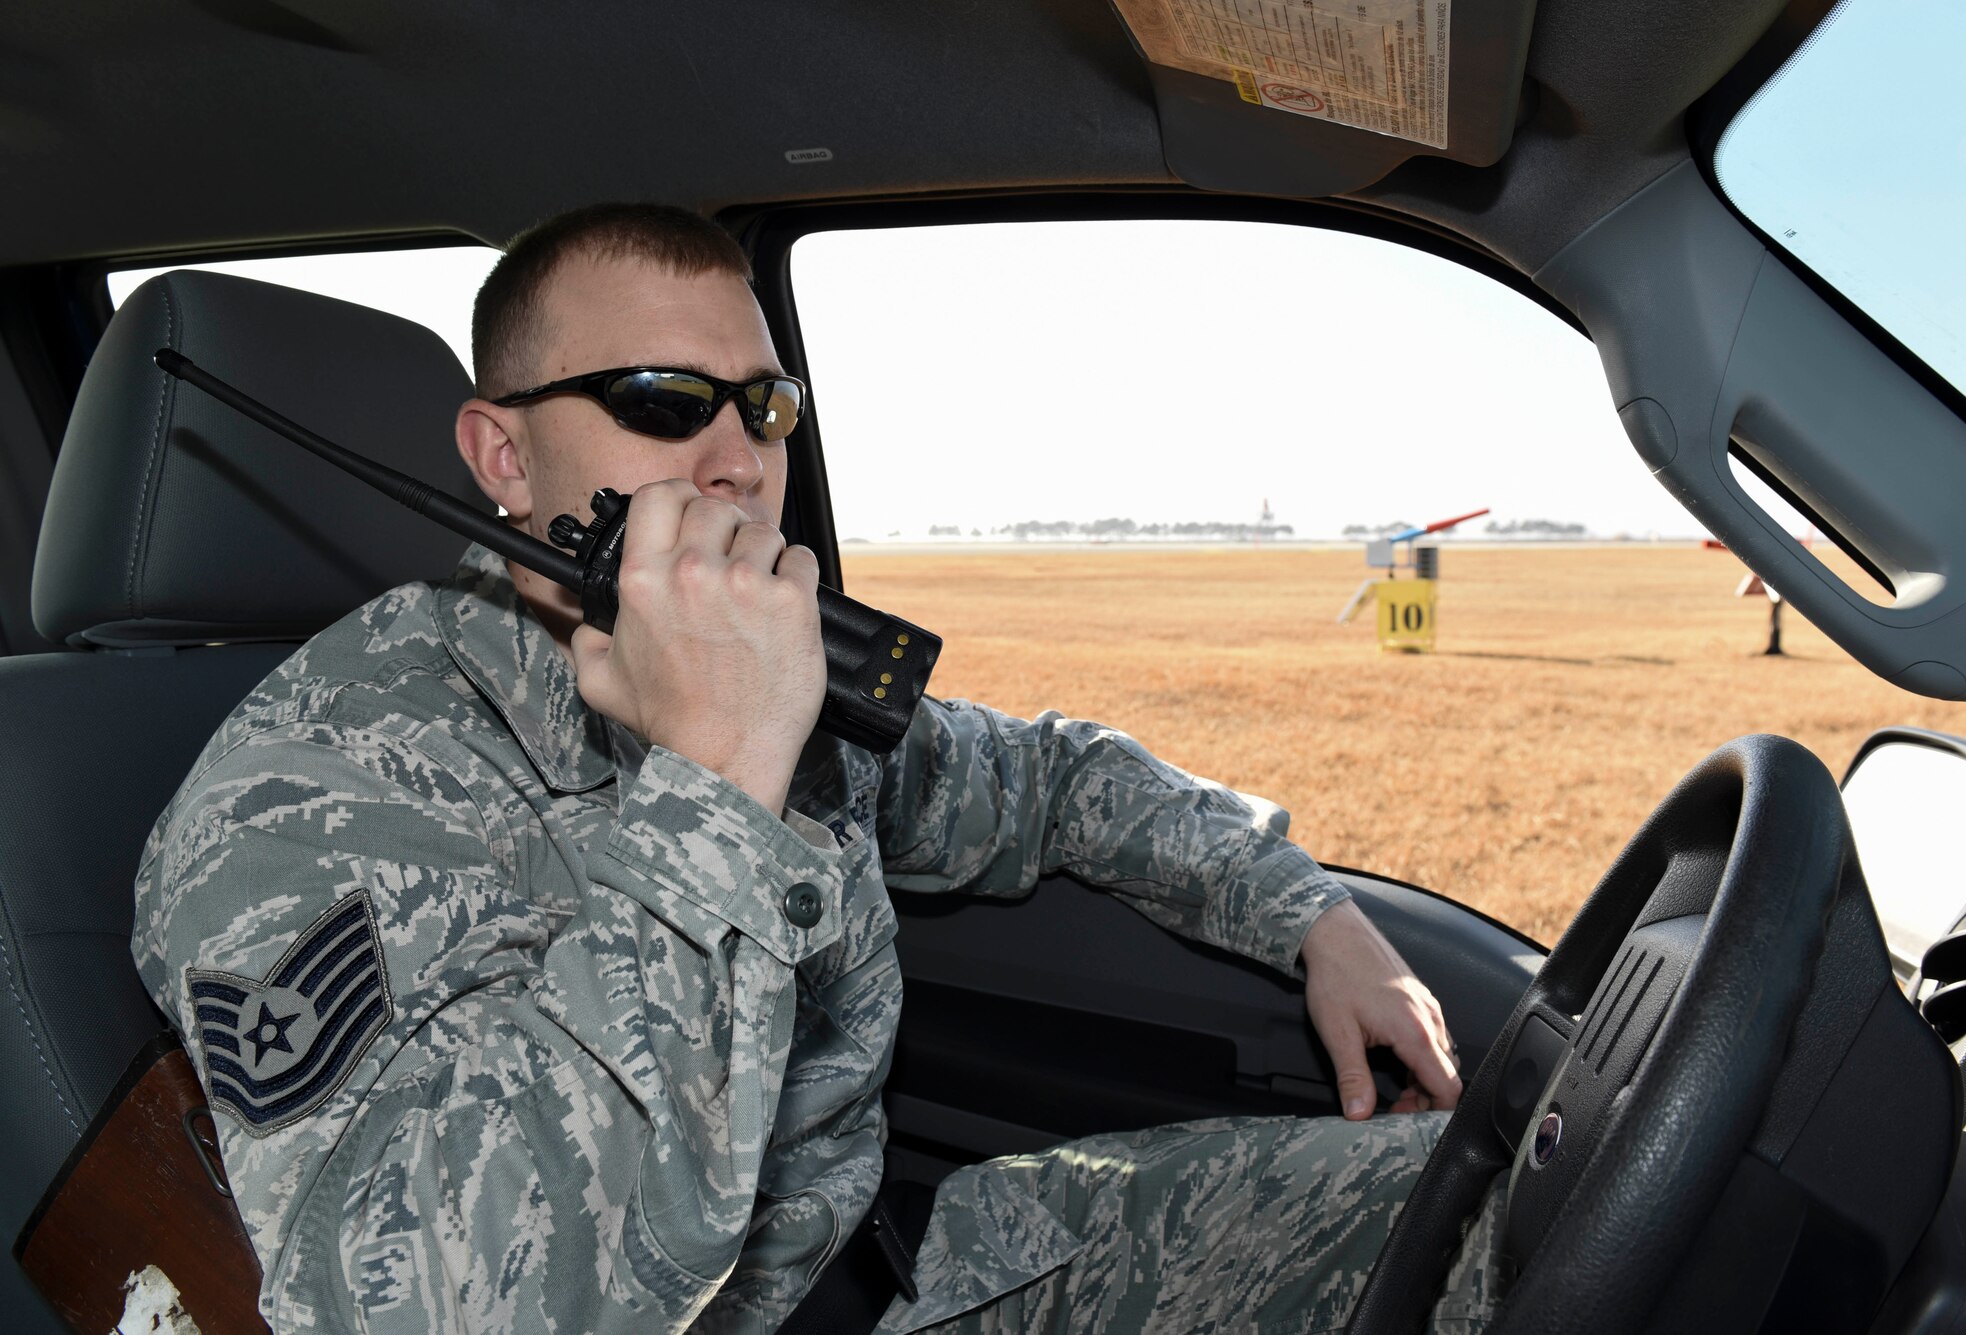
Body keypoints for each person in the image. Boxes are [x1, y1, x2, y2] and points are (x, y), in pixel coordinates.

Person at [133, 203, 1501, 1334]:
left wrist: (1308, 915)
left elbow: (1052, 783)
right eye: (663, 402)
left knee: (1486, 1204)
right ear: (504, 454)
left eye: (765, 404)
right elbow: (426, 1304)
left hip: (900, 1281)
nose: (738, 464)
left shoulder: (780, 683)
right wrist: (714, 779)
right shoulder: (306, 792)